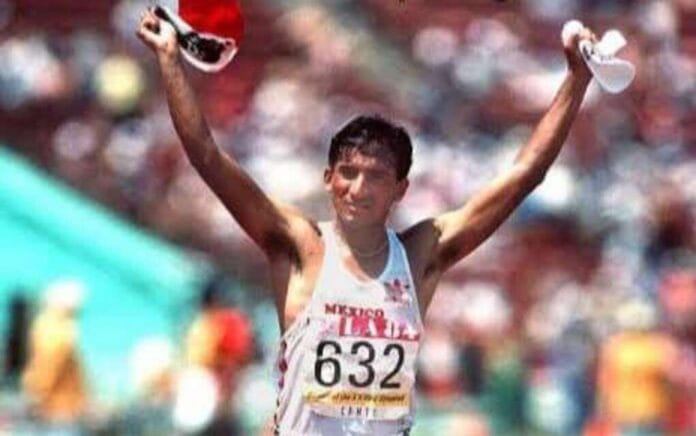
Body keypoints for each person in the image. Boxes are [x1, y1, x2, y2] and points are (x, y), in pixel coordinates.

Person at [137, 7, 595, 435]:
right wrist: (169, 60)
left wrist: (576, 81)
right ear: (329, 179)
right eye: (349, 173)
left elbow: (524, 175)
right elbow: (207, 155)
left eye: (376, 177)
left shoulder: (419, 255)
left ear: (400, 190)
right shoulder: (299, 245)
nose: (359, 189)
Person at [21, 279, 88, 434]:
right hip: (59, 412)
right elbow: (48, 368)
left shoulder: (54, 328)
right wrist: (36, 393)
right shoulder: (57, 330)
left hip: (59, 412)